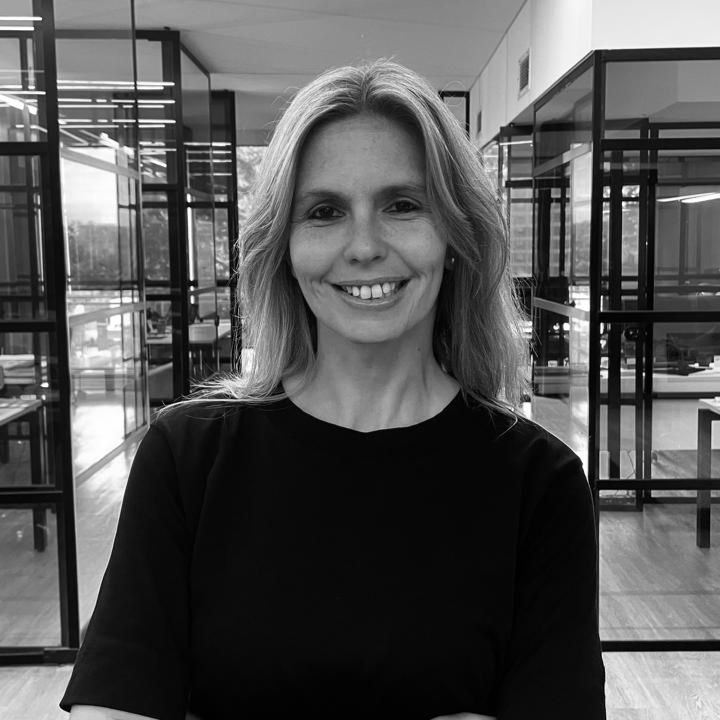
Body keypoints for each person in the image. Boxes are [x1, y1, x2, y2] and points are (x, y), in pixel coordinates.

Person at [60, 59, 606, 720]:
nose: (364, 246)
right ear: (284, 248)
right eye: (324, 212)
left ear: (454, 235)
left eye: (402, 205)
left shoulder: (540, 485)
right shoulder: (188, 458)